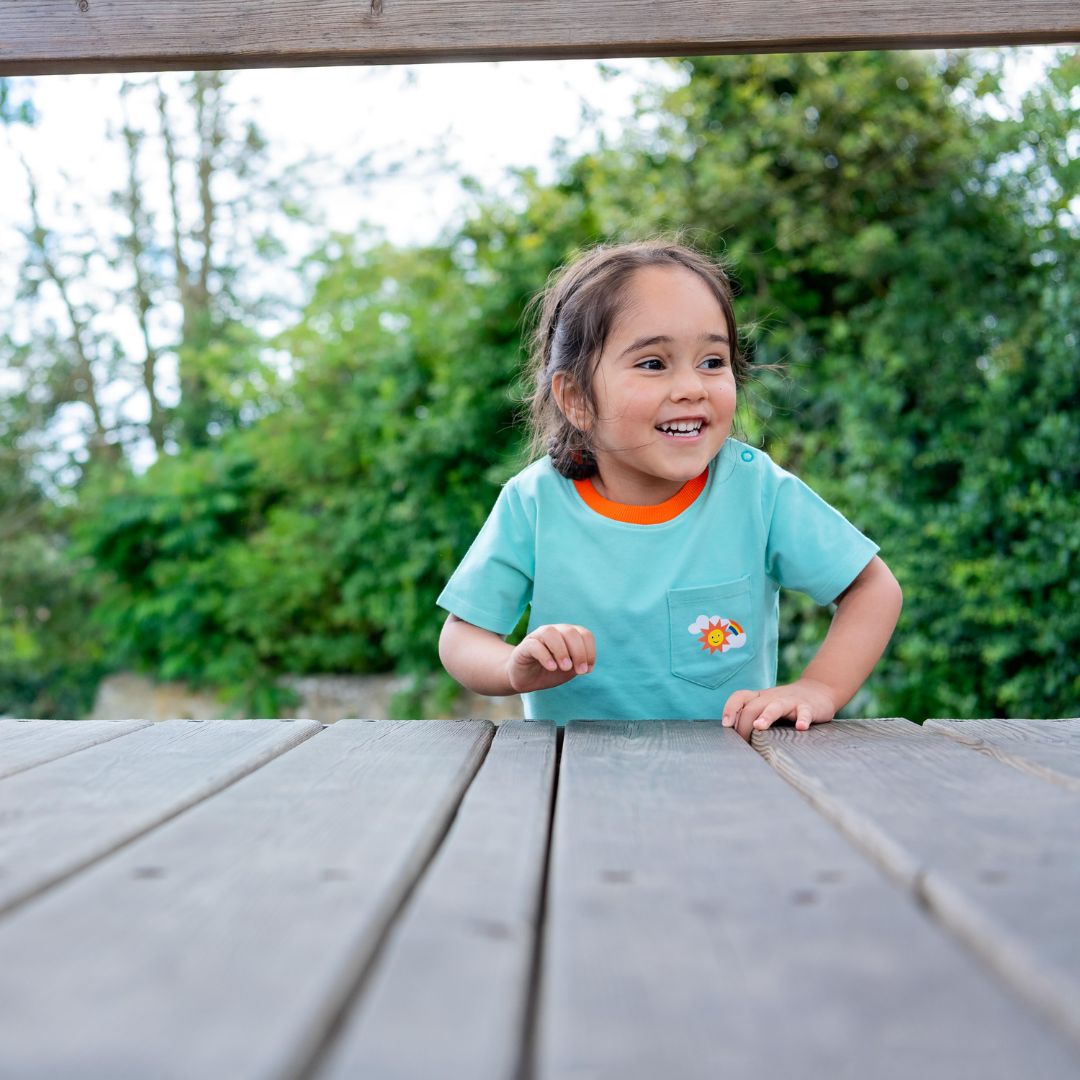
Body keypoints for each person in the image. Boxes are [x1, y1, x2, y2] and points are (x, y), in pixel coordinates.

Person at [437, 239, 902, 740]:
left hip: (732, 776)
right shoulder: (534, 502)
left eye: (712, 361)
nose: (692, 388)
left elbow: (872, 588)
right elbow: (463, 636)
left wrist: (819, 688)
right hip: (571, 783)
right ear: (576, 399)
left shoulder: (755, 489)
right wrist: (513, 667)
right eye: (654, 364)